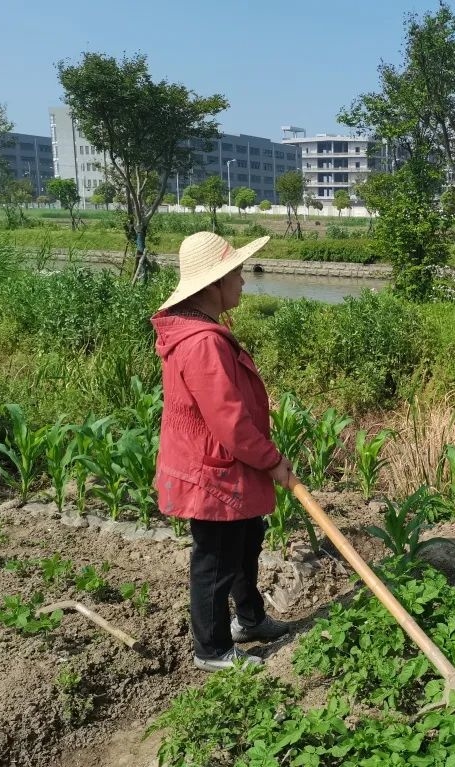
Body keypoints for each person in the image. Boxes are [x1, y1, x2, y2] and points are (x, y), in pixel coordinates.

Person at [152, 231, 296, 671]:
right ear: (213, 284)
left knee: (247, 540)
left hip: (226, 468)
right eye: (236, 273)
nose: (243, 281)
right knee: (214, 560)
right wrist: (273, 461)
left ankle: (250, 618)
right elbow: (229, 420)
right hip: (210, 474)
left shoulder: (208, 331)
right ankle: (211, 649)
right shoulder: (203, 343)